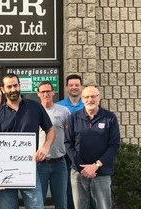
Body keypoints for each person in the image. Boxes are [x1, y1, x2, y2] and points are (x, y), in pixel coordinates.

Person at [0, 73, 55, 209]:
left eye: (15, 85)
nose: (13, 89)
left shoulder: (35, 107)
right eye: (9, 86)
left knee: (36, 207)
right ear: (3, 89)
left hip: (29, 168)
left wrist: (45, 147)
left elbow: (51, 130)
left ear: (19, 86)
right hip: (4, 171)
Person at [64, 86, 120, 209]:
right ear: (82, 99)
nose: (90, 99)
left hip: (101, 172)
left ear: (99, 98)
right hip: (79, 172)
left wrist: (96, 165)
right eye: (87, 97)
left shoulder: (110, 118)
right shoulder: (73, 118)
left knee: (103, 206)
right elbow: (68, 143)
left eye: (93, 96)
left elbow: (114, 144)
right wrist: (81, 167)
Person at [36, 81, 70, 209]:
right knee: (38, 202)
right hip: (40, 164)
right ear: (38, 94)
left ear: (53, 92)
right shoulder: (34, 110)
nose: (46, 94)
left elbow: (71, 133)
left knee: (61, 202)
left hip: (59, 163)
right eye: (43, 91)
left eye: (48, 91)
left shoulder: (64, 111)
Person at [57, 74, 84, 209]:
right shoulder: (59, 106)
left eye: (76, 85)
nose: (74, 87)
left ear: (81, 87)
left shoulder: (87, 104)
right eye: (71, 85)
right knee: (68, 187)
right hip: (67, 154)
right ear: (67, 87)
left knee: (87, 188)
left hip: (86, 154)